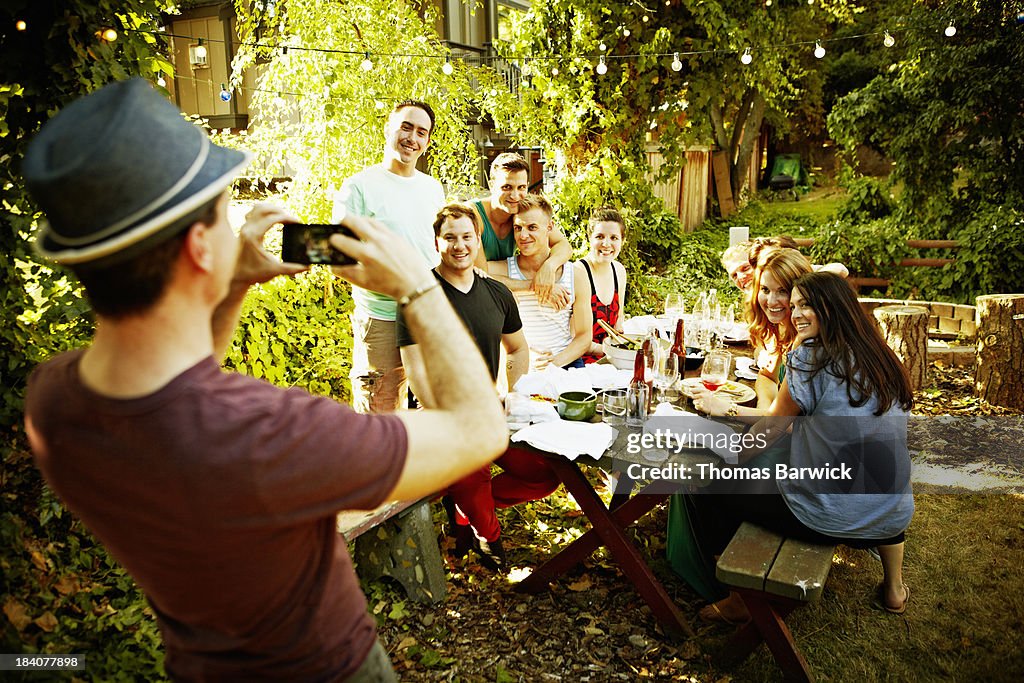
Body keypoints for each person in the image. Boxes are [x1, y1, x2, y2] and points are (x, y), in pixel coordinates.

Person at [22, 78, 507, 682]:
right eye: (226, 213)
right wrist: (417, 286)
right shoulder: (270, 430)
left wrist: (233, 287)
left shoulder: (54, 397)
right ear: (200, 247)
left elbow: (186, 377)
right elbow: (481, 429)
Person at [691, 271, 914, 622]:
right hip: (892, 511)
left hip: (826, 518)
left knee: (708, 484)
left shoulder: (811, 358)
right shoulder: (881, 357)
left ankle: (738, 598)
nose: (795, 314)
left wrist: (728, 459)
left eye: (806, 305)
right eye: (794, 305)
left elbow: (773, 427)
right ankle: (894, 588)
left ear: (835, 308)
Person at [397, 203, 530, 570]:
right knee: (472, 466)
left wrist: (511, 392)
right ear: (437, 242)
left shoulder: (497, 293)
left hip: (490, 410)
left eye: (467, 237)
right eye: (450, 237)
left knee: (544, 474)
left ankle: (465, 507)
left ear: (478, 240)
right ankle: (490, 536)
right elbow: (415, 368)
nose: (460, 245)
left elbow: (517, 349)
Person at [332, 99, 446, 414]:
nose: (413, 138)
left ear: (427, 141)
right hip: (383, 319)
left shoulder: (433, 188)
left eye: (422, 132)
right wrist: (392, 286)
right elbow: (336, 261)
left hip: (427, 315)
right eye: (406, 127)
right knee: (379, 414)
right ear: (388, 128)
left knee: (432, 410)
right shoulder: (358, 187)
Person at [487, 194, 593, 371]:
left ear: (549, 227)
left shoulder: (575, 274)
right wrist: (533, 286)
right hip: (522, 364)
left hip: (565, 363)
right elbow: (474, 275)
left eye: (532, 227)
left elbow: (584, 336)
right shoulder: (505, 270)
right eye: (518, 228)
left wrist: (554, 364)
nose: (523, 235)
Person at [472, 152, 573, 309]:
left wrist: (549, 268)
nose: (515, 195)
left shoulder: (521, 215)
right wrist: (536, 285)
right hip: (472, 296)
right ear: (491, 185)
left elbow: (563, 245)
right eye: (507, 187)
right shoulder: (474, 215)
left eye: (521, 187)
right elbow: (479, 275)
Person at [579, 207, 629, 364]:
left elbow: (619, 316)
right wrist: (614, 350)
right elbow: (574, 337)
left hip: (610, 355)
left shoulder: (619, 271)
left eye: (614, 238)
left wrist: (620, 339)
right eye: (599, 236)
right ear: (589, 239)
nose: (606, 244)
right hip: (581, 359)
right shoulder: (579, 272)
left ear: (622, 241)